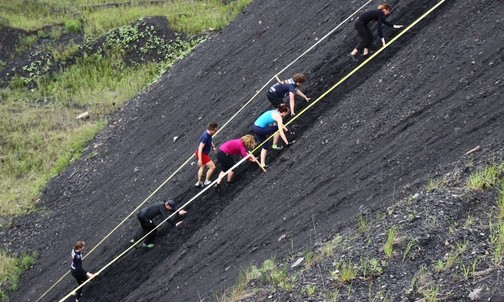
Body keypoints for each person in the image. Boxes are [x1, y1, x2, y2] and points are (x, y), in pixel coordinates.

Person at [195, 122, 218, 187]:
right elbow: (200, 148)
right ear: (211, 129)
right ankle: (206, 181)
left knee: (202, 167)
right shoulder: (205, 137)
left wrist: (213, 146)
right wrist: (200, 159)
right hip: (202, 154)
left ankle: (199, 182)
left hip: (200, 153)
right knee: (212, 167)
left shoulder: (208, 134)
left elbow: (210, 140)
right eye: (215, 130)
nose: (215, 131)